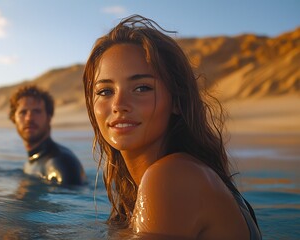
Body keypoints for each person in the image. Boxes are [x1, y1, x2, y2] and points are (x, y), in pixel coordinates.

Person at [82, 14, 261, 239]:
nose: (118, 105)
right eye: (105, 91)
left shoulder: (171, 177)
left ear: (177, 100)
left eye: (142, 88)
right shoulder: (183, 173)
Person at [9, 85, 87, 186]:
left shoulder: (60, 162)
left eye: (37, 111)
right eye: (23, 112)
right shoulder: (31, 163)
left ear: (49, 117)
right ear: (13, 119)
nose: (29, 118)